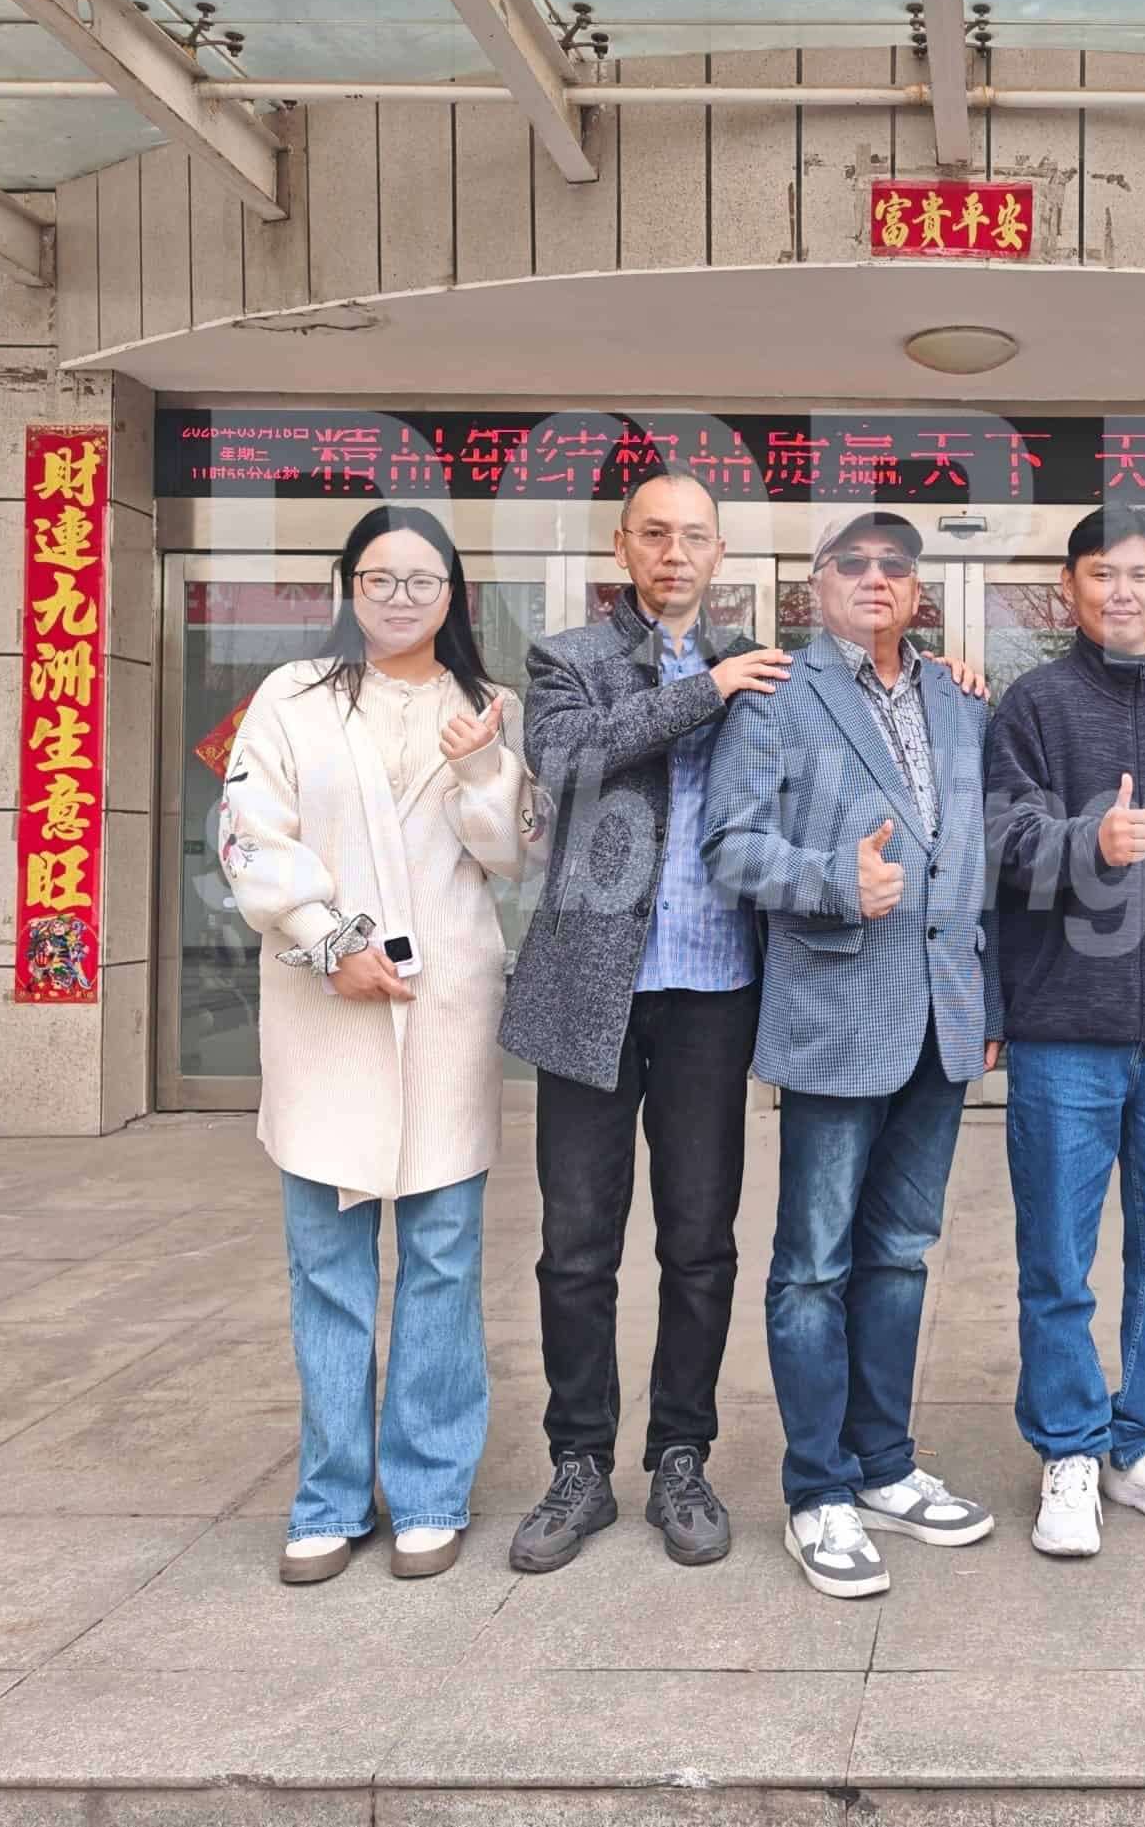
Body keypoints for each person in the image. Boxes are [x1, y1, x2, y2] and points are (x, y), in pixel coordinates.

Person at [220, 503, 545, 1586]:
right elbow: (250, 840)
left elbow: (508, 856)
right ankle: (325, 1493)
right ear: (349, 585)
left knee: (444, 1258)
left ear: (453, 595)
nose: (401, 596)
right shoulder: (291, 699)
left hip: (444, 1003)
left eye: (424, 579)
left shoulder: (483, 705)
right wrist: (327, 940)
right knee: (328, 1265)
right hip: (327, 1009)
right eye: (380, 576)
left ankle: (430, 1488)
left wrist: (481, 765)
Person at [701, 509, 1001, 1600]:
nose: (878, 578)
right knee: (814, 1263)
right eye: (854, 563)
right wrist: (834, 876)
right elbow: (729, 845)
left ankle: (884, 1464)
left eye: (898, 566)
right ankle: (817, 1489)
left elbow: (978, 859)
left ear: (918, 591)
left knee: (902, 1252)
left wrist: (991, 997)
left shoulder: (959, 699)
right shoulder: (778, 693)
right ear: (816, 583)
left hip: (944, 1016)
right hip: (835, 1012)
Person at [497, 474, 792, 1574]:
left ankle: (681, 1453)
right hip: (591, 990)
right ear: (623, 545)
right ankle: (579, 1461)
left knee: (699, 1241)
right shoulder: (568, 657)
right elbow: (567, 758)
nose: (674, 551)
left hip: (713, 989)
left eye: (695, 536)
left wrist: (947, 666)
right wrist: (703, 687)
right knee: (575, 1247)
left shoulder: (763, 667)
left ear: (719, 551)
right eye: (655, 533)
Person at [984, 503, 1145, 1559]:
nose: (1122, 592)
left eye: (1140, 574)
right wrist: (1084, 841)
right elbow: (1001, 839)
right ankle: (1066, 1446)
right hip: (1064, 1029)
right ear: (1072, 586)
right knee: (1056, 1253)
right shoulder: (1033, 706)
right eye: (1101, 575)